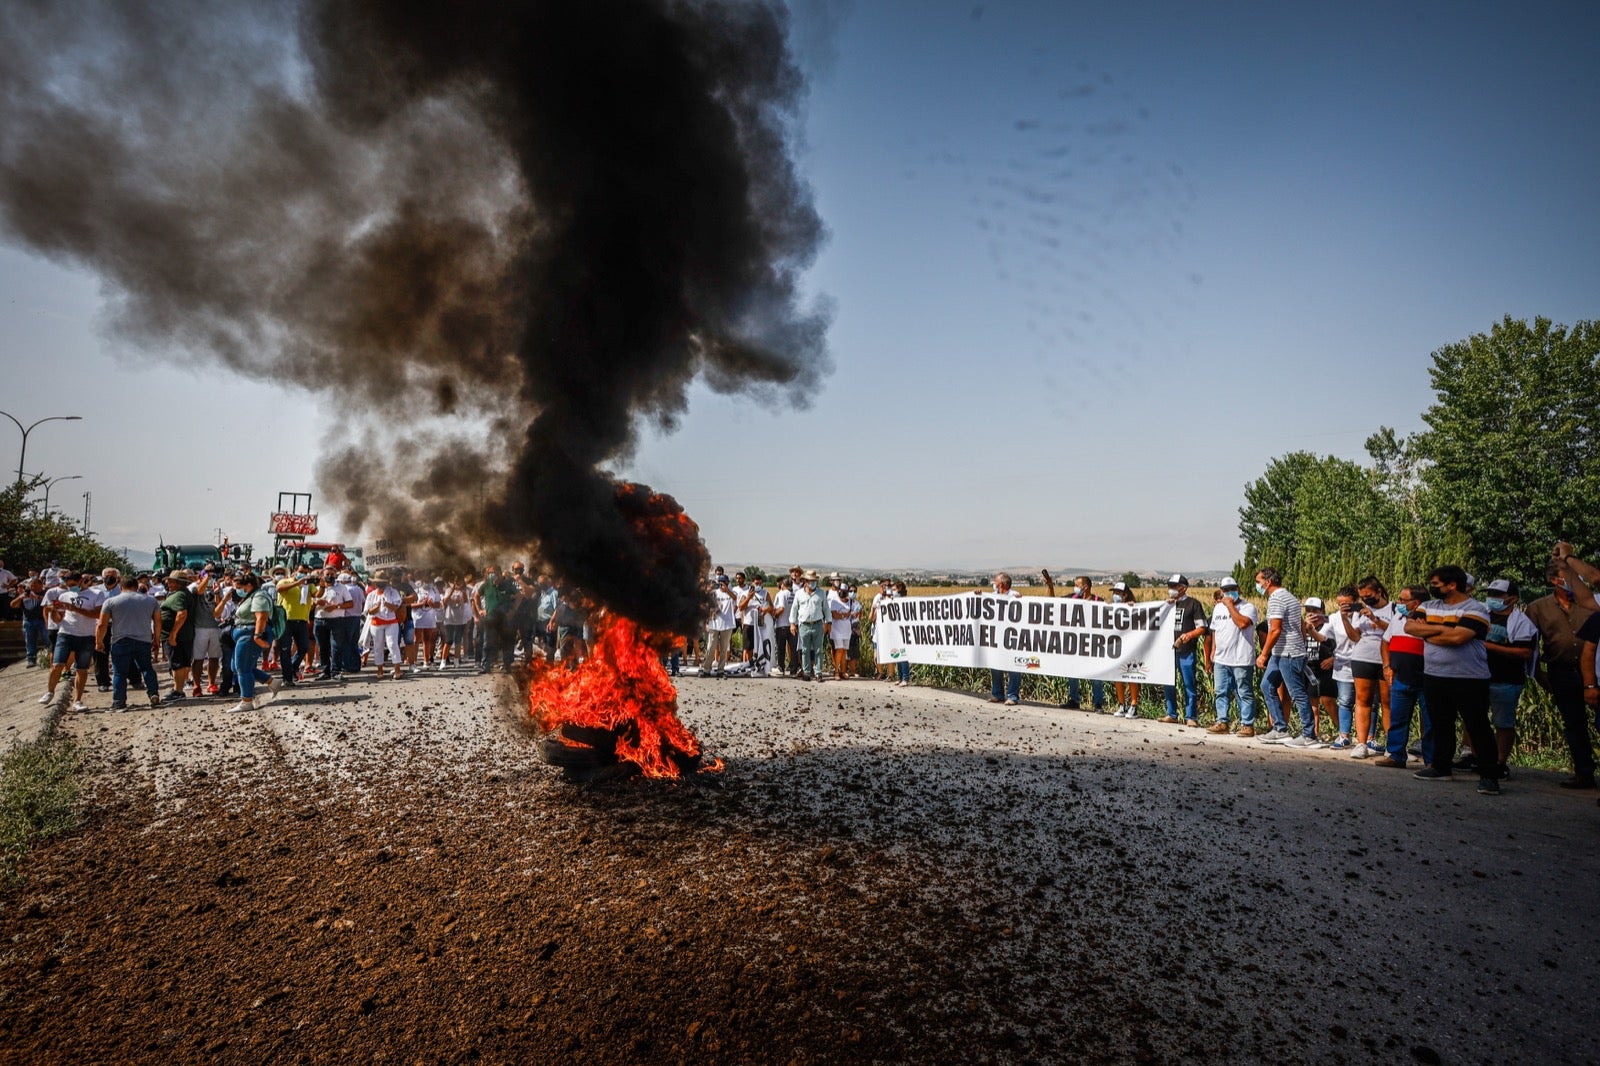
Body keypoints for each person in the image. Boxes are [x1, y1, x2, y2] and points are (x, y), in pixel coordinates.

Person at [1406, 565, 1500, 794]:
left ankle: (1489, 775)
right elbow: (1410, 627)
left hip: (1469, 678)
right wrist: (1444, 630)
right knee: (1440, 724)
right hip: (1434, 675)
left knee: (1477, 726)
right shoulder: (1428, 606)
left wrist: (1429, 632)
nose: (1432, 588)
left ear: (1452, 585)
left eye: (1436, 584)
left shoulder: (1476, 609)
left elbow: (1459, 638)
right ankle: (1441, 767)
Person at [1523, 558, 1597, 789]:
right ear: (1554, 580)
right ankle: (1584, 772)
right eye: (1571, 576)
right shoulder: (1537, 608)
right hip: (1562, 671)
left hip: (1594, 671)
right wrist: (1538, 674)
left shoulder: (1590, 604)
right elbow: (1530, 645)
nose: (1578, 581)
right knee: (1574, 723)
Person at [1464, 577, 1536, 779]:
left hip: (1506, 679)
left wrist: (1490, 647)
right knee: (1475, 720)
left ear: (1512, 598)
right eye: (1489, 594)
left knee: (1503, 722)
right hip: (1478, 677)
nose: (1492, 598)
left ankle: (1500, 762)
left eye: (1497, 595)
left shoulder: (1522, 623)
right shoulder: (1482, 615)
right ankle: (1477, 758)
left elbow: (1525, 652)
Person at [1254, 567, 1320, 748]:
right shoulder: (1289, 597)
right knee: (1267, 686)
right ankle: (1280, 729)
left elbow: (1275, 630)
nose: (1257, 586)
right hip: (1281, 652)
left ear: (1268, 581)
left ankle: (1309, 735)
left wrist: (1263, 654)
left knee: (1297, 693)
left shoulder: (1277, 599)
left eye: (1259, 582)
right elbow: (1301, 625)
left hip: (1288, 654)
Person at [1321, 586, 1383, 756]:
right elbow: (1323, 637)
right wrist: (1310, 628)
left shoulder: (1364, 615)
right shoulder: (1334, 617)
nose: (1343, 606)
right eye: (1340, 603)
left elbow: (1359, 637)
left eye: (1347, 603)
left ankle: (1370, 738)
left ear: (1356, 601)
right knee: (1345, 700)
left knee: (1371, 702)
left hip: (1366, 662)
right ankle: (1344, 736)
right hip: (1344, 665)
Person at [1375, 586, 1429, 768]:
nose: (1398, 603)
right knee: (1398, 718)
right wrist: (1387, 666)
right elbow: (1385, 642)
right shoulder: (1397, 617)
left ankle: (1432, 761)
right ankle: (1396, 755)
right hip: (1400, 677)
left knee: (1430, 721)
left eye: (1402, 600)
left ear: (1416, 603)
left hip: (1426, 678)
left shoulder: (1429, 619)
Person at [42, 570, 106, 712]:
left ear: (81, 581)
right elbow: (58, 619)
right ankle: (50, 691)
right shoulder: (64, 596)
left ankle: (77, 700)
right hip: (66, 633)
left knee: (81, 669)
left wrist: (75, 609)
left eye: (73, 584)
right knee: (57, 664)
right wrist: (54, 611)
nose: (71, 588)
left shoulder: (96, 594)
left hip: (86, 636)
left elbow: (97, 614)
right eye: (68, 585)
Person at [97, 574, 163, 711]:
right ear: (136, 586)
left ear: (121, 587)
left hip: (120, 640)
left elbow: (102, 624)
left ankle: (119, 701)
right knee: (147, 668)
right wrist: (156, 640)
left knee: (119, 673)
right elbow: (158, 622)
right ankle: (153, 693)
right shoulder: (151, 601)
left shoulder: (110, 602)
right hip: (143, 640)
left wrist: (99, 642)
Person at [1205, 577, 1259, 735]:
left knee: (1244, 692)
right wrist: (1213, 650)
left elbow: (1242, 623)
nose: (1229, 592)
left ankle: (1247, 724)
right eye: (1226, 590)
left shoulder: (1248, 607)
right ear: (1221, 591)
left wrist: (1229, 605)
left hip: (1241, 658)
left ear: (1238, 589)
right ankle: (1222, 722)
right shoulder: (1217, 608)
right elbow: (1215, 630)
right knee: (1220, 691)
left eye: (1232, 589)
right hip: (1221, 658)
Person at [1159, 574, 1208, 726]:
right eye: (1170, 586)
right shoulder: (1168, 605)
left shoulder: (1193, 604)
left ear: (1183, 588)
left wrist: (1189, 635)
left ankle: (1191, 717)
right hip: (1168, 652)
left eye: (1174, 586)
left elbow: (1202, 628)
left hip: (1187, 651)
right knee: (1168, 683)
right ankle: (1171, 713)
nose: (1171, 589)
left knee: (1189, 684)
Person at [229, 572, 280, 713]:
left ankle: (247, 701)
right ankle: (271, 682)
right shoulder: (251, 595)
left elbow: (261, 616)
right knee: (236, 667)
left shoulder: (259, 596)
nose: (239, 590)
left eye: (241, 587)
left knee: (243, 669)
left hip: (250, 635)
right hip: (244, 634)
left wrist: (257, 636)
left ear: (249, 585)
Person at [1058, 576, 1106, 711]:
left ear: (1085, 587)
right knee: (1073, 672)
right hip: (1076, 642)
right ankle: (1074, 700)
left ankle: (1098, 703)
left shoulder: (1099, 601)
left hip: (1093, 644)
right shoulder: (1072, 598)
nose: (1075, 588)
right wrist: (1050, 586)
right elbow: (1053, 602)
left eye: (1077, 585)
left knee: (1096, 674)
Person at [982, 572, 1022, 706]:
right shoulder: (992, 596)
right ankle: (997, 694)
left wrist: (1022, 601)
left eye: (996, 582)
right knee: (996, 666)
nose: (994, 584)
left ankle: (1012, 696)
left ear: (1002, 584)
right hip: (997, 637)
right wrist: (978, 596)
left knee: (1014, 667)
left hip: (1012, 637)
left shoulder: (1015, 595)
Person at [159, 569, 198, 702]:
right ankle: (178, 689)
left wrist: (173, 634)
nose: (168, 583)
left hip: (178, 636)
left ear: (178, 583)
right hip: (184, 635)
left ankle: (178, 690)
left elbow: (182, 614)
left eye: (171, 581)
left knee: (177, 663)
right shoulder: (182, 594)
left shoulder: (180, 595)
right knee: (181, 663)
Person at [274, 564, 316, 685]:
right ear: (295, 571)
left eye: (306, 572)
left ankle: (292, 667)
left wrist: (322, 586)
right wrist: (297, 583)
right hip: (286, 621)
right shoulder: (285, 581)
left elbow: (316, 595)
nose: (304, 574)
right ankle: (287, 678)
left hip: (302, 620)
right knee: (285, 650)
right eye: (301, 571)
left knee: (304, 647)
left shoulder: (309, 585)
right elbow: (279, 589)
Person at [364, 570, 406, 680]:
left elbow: (396, 607)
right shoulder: (371, 595)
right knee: (378, 647)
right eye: (378, 582)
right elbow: (369, 611)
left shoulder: (393, 592)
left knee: (392, 645)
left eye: (382, 582)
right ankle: (380, 670)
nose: (380, 584)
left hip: (391, 622)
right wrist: (377, 608)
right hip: (376, 623)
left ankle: (397, 670)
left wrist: (387, 604)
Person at [188, 568, 223, 695]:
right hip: (199, 627)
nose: (210, 578)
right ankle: (197, 685)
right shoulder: (194, 587)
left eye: (212, 575)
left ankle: (211, 683)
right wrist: (206, 578)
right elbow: (199, 591)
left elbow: (218, 607)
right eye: (208, 575)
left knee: (214, 657)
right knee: (198, 658)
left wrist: (217, 593)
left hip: (215, 626)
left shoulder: (217, 588)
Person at [1108, 582, 1141, 717]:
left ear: (1125, 595)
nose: (1115, 595)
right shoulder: (1112, 607)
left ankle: (1133, 705)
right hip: (1116, 646)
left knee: (1131, 675)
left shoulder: (1133, 607)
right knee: (1118, 676)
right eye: (1114, 592)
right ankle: (1122, 705)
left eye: (1118, 593)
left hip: (1130, 646)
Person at [312, 566, 350, 681]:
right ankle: (325, 671)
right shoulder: (316, 589)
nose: (329, 576)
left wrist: (336, 606)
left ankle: (336, 671)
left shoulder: (341, 588)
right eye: (327, 574)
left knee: (336, 647)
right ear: (322, 576)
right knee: (322, 648)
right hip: (320, 620)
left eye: (332, 574)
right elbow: (309, 605)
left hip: (336, 620)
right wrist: (316, 602)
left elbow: (350, 603)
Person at [791, 570, 829, 681]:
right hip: (804, 625)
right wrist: (792, 623)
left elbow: (826, 609)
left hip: (818, 624)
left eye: (814, 581)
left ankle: (818, 673)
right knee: (805, 650)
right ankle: (806, 672)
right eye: (810, 581)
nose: (813, 583)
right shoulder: (799, 594)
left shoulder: (821, 593)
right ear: (805, 582)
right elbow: (794, 609)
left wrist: (828, 622)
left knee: (818, 650)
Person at [703, 575, 737, 677]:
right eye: (720, 583)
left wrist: (727, 590)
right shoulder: (714, 593)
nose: (722, 585)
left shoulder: (732, 593)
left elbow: (735, 599)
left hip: (727, 624)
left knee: (724, 649)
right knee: (711, 647)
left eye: (724, 582)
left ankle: (720, 670)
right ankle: (706, 669)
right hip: (714, 623)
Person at [10, 578, 47, 667]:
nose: (33, 588)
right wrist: (20, 597)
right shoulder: (25, 594)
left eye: (35, 585)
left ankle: (50, 657)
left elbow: (49, 603)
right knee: (30, 641)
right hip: (28, 621)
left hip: (42, 620)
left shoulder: (45, 593)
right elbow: (13, 605)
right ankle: (31, 659)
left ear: (41, 585)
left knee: (47, 639)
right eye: (31, 586)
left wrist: (37, 597)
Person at [772, 576, 798, 677]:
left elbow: (781, 608)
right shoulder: (794, 594)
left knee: (781, 648)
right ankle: (794, 669)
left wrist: (774, 615)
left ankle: (781, 667)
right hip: (792, 625)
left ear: (783, 584)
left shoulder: (781, 594)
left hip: (782, 624)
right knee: (793, 648)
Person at [827, 578, 852, 680]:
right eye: (841, 590)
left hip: (847, 630)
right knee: (839, 650)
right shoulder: (834, 601)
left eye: (844, 591)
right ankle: (836, 671)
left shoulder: (850, 601)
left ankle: (843, 671)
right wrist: (844, 615)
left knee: (844, 651)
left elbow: (853, 613)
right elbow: (835, 615)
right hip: (836, 629)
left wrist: (843, 615)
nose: (842, 592)